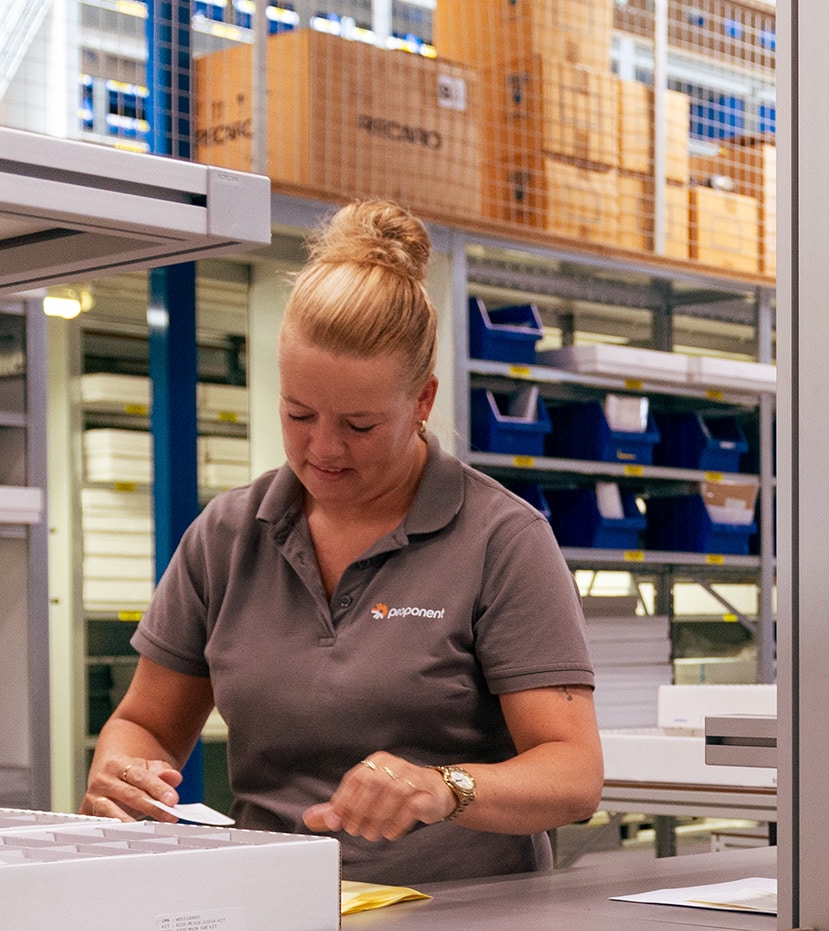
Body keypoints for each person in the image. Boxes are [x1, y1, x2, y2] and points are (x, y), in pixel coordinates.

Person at [81, 199, 602, 885]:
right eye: (299, 414)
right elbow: (144, 723)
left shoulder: (499, 541)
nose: (322, 448)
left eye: (358, 424)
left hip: (465, 926)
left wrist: (445, 786)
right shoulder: (228, 536)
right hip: (272, 908)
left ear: (422, 401)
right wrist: (126, 773)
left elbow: (573, 772)